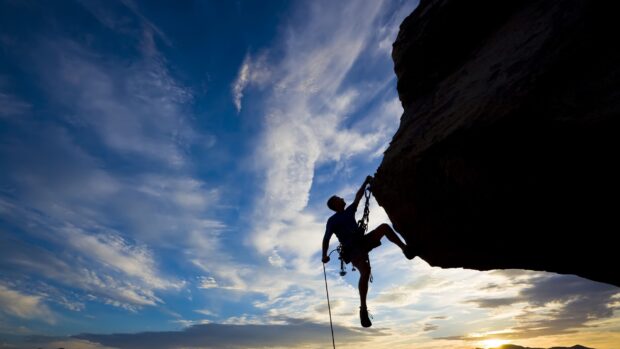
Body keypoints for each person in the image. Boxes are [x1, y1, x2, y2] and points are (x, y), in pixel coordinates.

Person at [321, 175, 415, 328]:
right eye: (339, 198)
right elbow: (326, 238)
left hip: (361, 241)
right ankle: (363, 309)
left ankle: (405, 249)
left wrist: (365, 182)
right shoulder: (332, 221)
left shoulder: (349, 211)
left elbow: (358, 197)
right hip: (352, 249)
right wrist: (324, 255)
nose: (342, 198)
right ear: (335, 204)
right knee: (365, 271)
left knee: (384, 228)